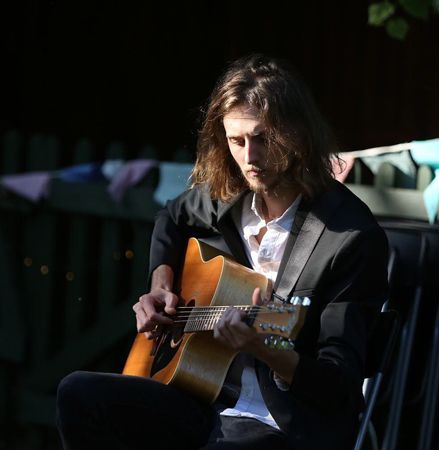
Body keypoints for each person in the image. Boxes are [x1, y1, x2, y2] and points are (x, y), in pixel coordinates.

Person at [56, 53, 388, 450]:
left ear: (297, 133)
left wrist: (261, 348)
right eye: (237, 141)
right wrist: (161, 285)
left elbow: (339, 385)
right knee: (79, 394)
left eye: (263, 138)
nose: (249, 158)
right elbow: (171, 218)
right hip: (206, 400)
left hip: (283, 425)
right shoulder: (228, 199)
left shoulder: (349, 236)